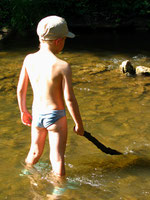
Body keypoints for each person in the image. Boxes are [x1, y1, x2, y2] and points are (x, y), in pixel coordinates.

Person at [17, 15, 84, 177]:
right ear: (58, 41)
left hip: (37, 115)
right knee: (57, 158)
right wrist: (79, 124)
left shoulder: (29, 59)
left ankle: (25, 176)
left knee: (34, 152)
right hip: (55, 117)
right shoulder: (63, 66)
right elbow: (69, 99)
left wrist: (23, 111)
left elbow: (20, 89)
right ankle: (58, 192)